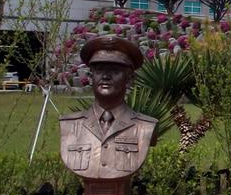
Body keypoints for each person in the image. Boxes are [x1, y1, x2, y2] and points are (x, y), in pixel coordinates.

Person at [59, 36, 158, 180]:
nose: (105, 76)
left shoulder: (146, 126)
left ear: (129, 79)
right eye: (99, 70)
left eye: (114, 71)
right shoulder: (69, 125)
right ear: (91, 76)